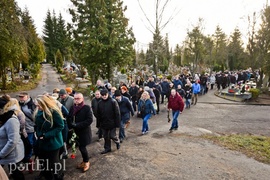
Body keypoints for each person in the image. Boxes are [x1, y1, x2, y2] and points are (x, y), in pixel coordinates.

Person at [34, 95, 64, 180]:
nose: (37, 107)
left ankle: (58, 177)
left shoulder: (54, 112)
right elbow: (37, 125)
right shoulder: (38, 111)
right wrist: (38, 134)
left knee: (54, 164)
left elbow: (60, 126)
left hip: (53, 143)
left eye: (39, 105)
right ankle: (47, 176)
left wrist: (46, 135)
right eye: (37, 105)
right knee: (43, 162)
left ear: (45, 104)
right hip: (42, 142)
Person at [0, 95, 25, 180]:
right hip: (7, 154)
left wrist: (1, 154)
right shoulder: (4, 118)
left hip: (13, 155)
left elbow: (13, 141)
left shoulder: (11, 120)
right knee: (13, 173)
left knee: (17, 175)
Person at [67, 93, 93, 172]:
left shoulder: (86, 108)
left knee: (82, 148)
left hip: (84, 132)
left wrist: (77, 125)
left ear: (82, 99)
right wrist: (70, 124)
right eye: (75, 98)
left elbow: (89, 120)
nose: (76, 100)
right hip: (75, 132)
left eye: (78, 98)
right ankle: (84, 161)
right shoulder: (72, 107)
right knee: (80, 147)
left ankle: (86, 162)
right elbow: (69, 117)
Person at [97, 89, 121, 154]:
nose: (104, 96)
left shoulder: (113, 102)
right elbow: (98, 114)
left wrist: (117, 123)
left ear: (108, 94)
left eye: (105, 95)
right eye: (103, 95)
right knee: (105, 136)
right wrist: (98, 124)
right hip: (104, 123)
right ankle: (107, 148)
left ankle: (117, 142)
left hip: (112, 122)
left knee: (112, 135)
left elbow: (117, 113)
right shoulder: (100, 103)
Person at [18, 91, 36, 169]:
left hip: (30, 128)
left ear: (27, 96)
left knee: (29, 144)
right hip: (22, 129)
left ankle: (28, 160)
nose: (21, 98)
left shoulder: (32, 105)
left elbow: (34, 116)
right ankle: (30, 159)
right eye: (20, 97)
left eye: (22, 97)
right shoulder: (19, 104)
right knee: (28, 144)